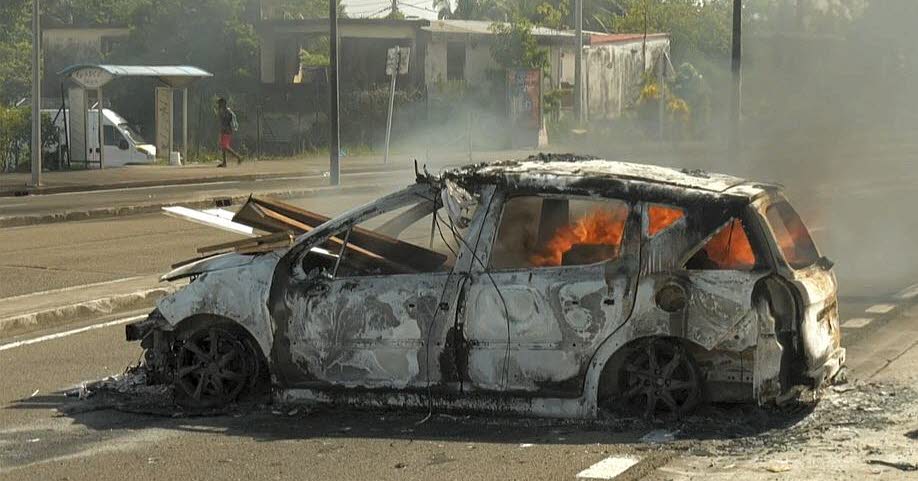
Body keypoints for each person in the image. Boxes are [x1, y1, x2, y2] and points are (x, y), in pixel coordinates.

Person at [216, 98, 242, 167]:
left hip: (227, 131)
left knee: (225, 146)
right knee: (223, 147)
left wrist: (222, 115)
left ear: (223, 104)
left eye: (220, 103)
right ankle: (224, 163)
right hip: (223, 130)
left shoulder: (228, 112)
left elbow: (227, 120)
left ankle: (238, 157)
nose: (218, 105)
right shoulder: (222, 111)